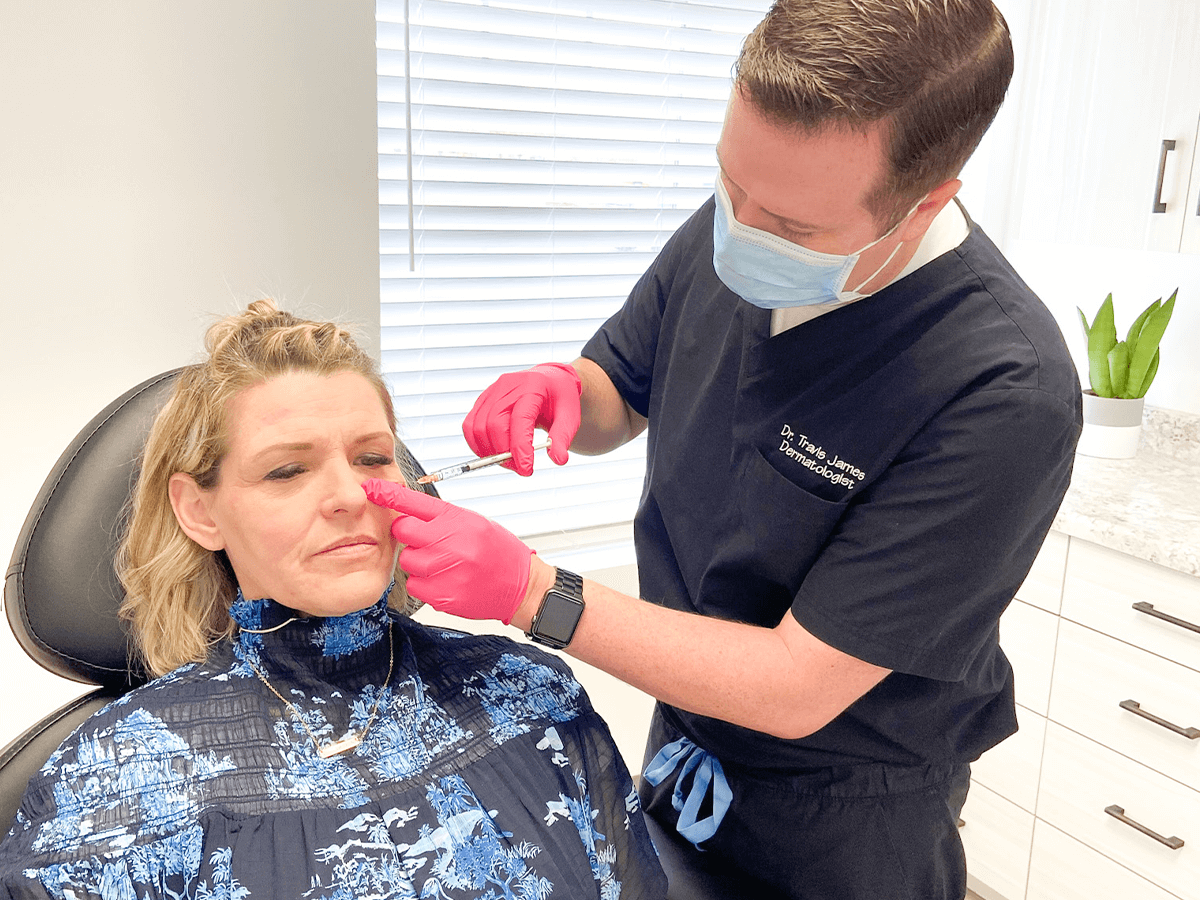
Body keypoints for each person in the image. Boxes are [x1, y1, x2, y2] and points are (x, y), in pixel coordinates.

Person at [365, 2, 1083, 898]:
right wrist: (563, 392)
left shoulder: (1003, 387)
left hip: (843, 822)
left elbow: (794, 686)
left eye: (790, 228)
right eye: (729, 183)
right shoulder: (743, 221)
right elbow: (619, 393)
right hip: (688, 746)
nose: (741, 229)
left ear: (927, 201)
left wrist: (529, 593)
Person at [0, 300, 667, 900]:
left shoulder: (531, 697)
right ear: (199, 512)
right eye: (287, 471)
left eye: (373, 459)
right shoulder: (114, 785)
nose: (349, 496)